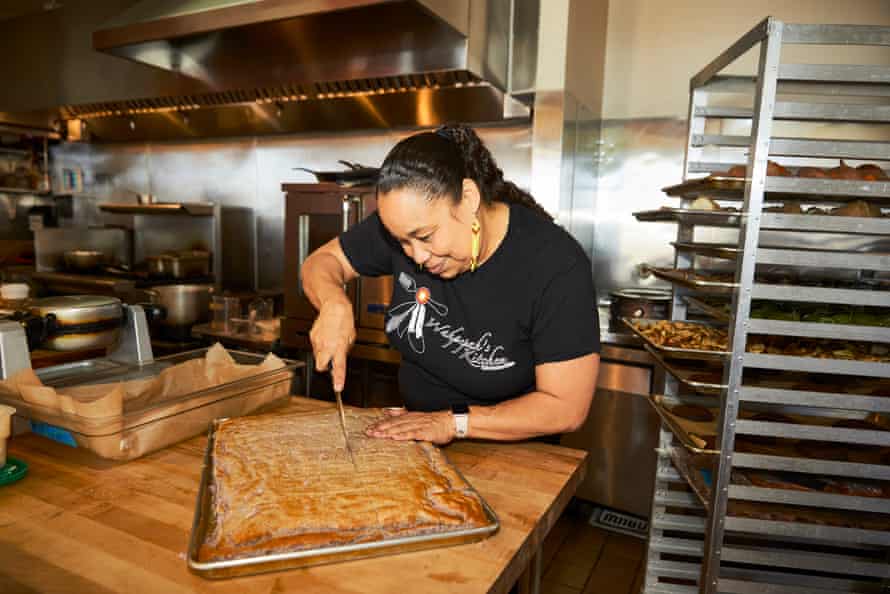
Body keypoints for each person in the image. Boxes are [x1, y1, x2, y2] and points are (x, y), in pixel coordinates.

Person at [301, 124, 600, 445]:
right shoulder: (406, 224)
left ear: (468, 198)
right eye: (402, 241)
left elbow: (566, 408)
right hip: (416, 438)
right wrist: (333, 302)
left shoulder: (555, 264)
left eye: (425, 237)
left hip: (514, 456)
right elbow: (322, 262)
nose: (416, 255)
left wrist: (450, 422)